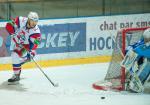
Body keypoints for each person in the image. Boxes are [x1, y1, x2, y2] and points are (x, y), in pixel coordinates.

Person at [5, 11, 41, 83]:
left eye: (36, 21)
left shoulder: (36, 32)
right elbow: (8, 24)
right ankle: (23, 60)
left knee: (15, 55)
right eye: (32, 21)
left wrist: (32, 51)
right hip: (16, 41)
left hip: (26, 46)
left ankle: (16, 75)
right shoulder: (21, 20)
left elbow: (36, 43)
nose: (34, 23)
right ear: (28, 19)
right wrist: (13, 34)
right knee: (15, 57)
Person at [121, 28, 150, 93]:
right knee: (145, 60)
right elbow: (132, 47)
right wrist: (129, 52)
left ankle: (139, 79)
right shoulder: (143, 43)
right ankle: (136, 80)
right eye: (145, 38)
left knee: (147, 62)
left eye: (148, 39)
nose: (146, 40)